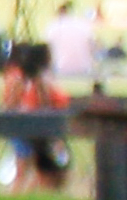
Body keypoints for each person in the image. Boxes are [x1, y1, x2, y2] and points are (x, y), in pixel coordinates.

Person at [4, 37, 75, 190]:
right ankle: (20, 197)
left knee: (33, 173)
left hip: (35, 129)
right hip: (40, 130)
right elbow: (43, 105)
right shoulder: (38, 81)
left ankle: (24, 196)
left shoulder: (32, 79)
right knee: (36, 173)